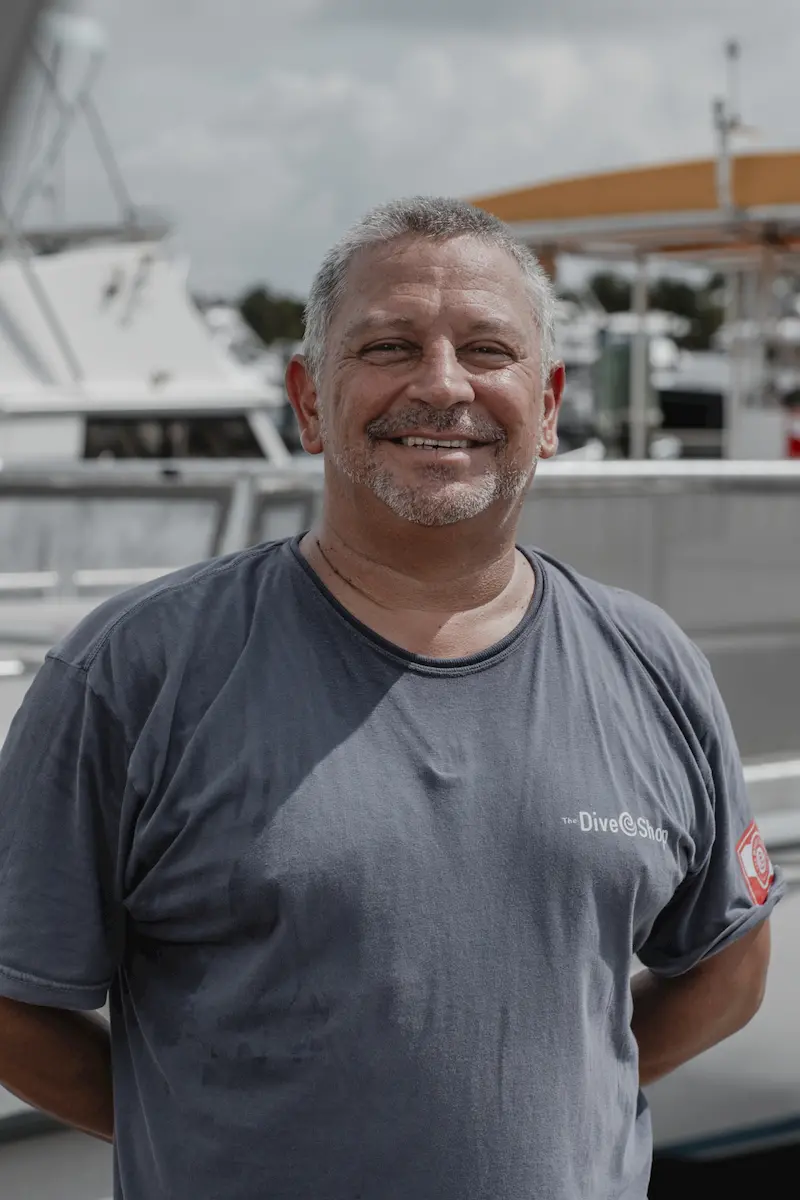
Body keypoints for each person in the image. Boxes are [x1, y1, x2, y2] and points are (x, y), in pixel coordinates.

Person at [0, 197, 782, 1200]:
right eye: (389, 346)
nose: (442, 384)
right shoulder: (134, 670)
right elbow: (13, 1006)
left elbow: (728, 967)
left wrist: (573, 1093)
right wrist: (191, 1122)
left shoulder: (650, 663)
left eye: (487, 350)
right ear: (308, 400)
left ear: (547, 406)